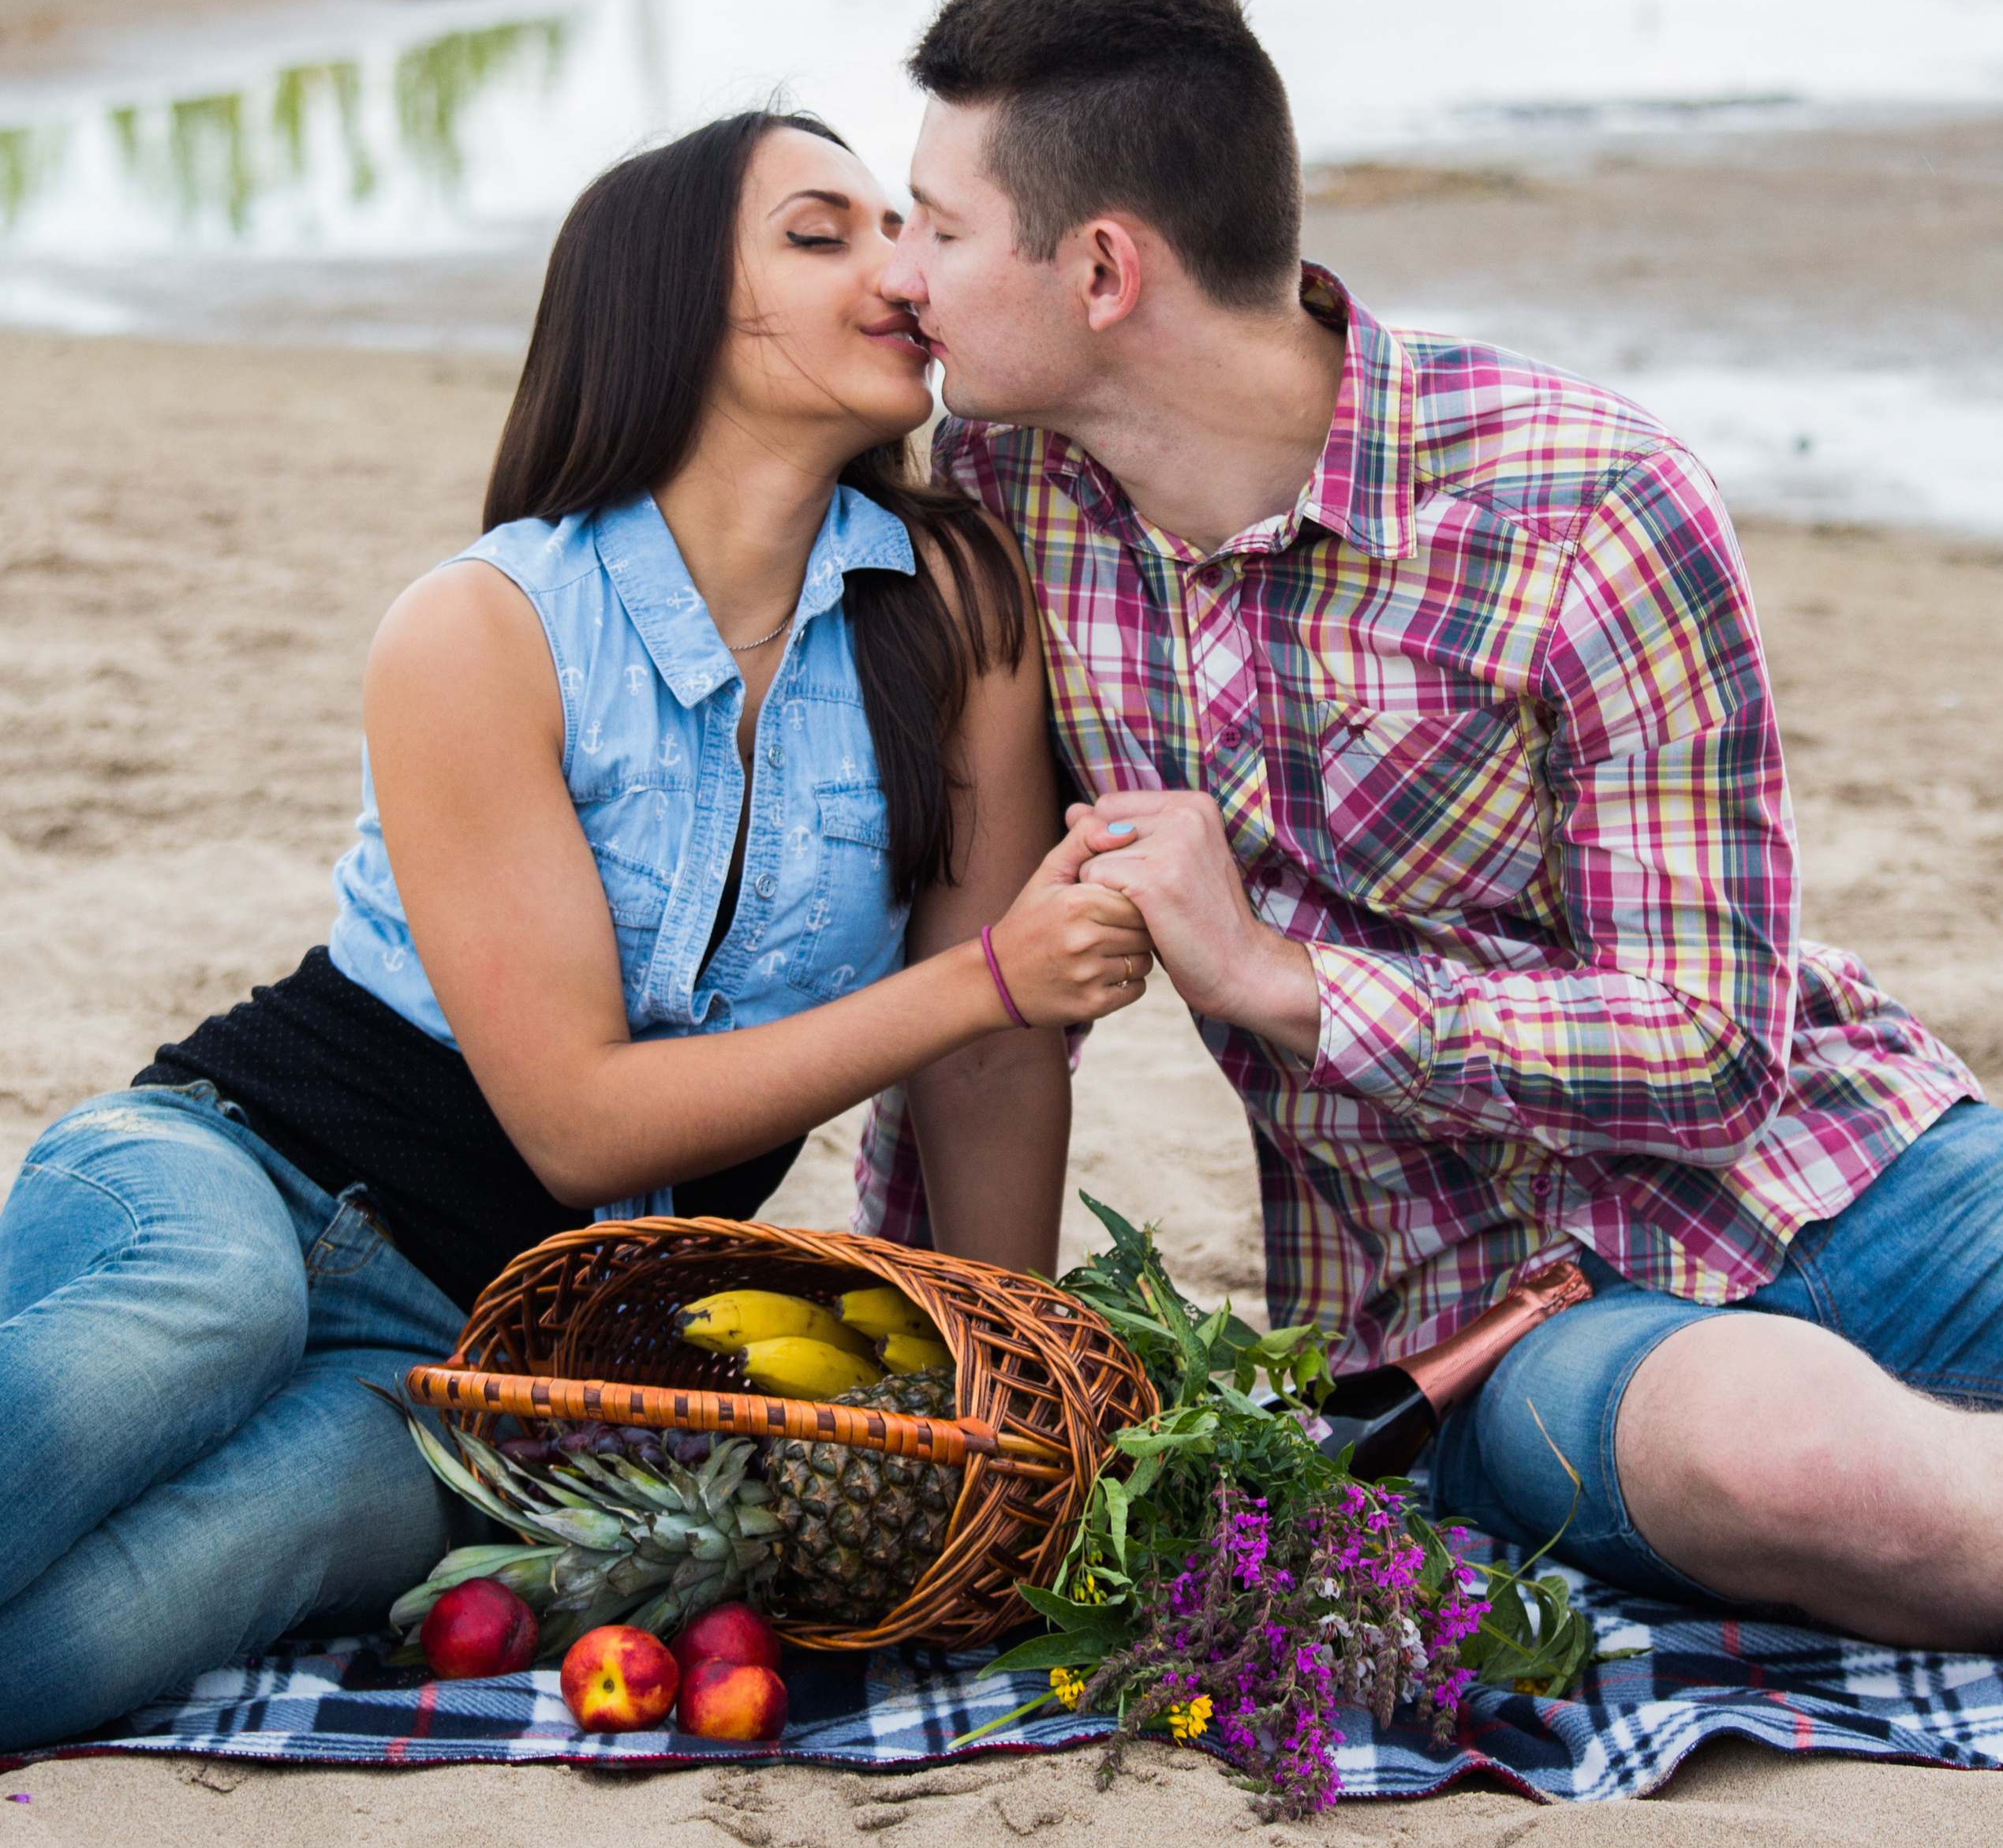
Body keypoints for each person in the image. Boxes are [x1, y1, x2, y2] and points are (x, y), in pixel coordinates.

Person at [863, 0, 2003, 1652]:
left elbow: (1714, 1041)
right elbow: (994, 993)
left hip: (1850, 1167)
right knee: (1801, 1472)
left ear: (1101, 268)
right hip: (1489, 1319)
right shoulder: (997, 504)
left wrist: (1284, 984)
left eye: (934, 229)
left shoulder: (1581, 505)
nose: (901, 279)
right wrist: (980, 1382)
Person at [0, 109, 1150, 1751]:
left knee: (154, 1603)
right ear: (671, 306)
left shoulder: (956, 608)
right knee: (208, 1317)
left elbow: (987, 1068)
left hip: (499, 1360)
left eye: (899, 228)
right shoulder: (484, 624)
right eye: (820, 235)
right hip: (243, 1172)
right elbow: (577, 1121)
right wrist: (974, 984)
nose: (898, 271)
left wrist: (990, 1420)